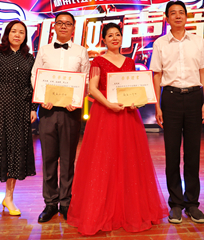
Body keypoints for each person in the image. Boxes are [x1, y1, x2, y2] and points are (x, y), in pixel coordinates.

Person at [67, 22, 167, 235]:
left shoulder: (129, 61)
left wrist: (136, 102)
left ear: (122, 38)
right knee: (104, 160)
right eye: (110, 35)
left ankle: (127, 210)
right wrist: (109, 104)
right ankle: (102, 211)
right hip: (105, 114)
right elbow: (93, 88)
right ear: (103, 39)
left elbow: (134, 88)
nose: (114, 38)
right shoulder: (98, 61)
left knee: (128, 160)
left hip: (127, 116)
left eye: (117, 34)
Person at [150, 0, 204, 225]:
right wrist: (157, 105)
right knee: (172, 154)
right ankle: (176, 204)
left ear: (186, 17)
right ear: (166, 18)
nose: (177, 16)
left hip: (195, 97)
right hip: (171, 98)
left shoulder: (197, 41)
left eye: (181, 13)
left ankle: (192, 204)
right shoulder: (160, 43)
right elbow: (157, 75)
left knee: (193, 154)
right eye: (173, 13)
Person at [31, 11, 90, 223]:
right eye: (60, 23)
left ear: (73, 28)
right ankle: (50, 203)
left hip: (71, 112)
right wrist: (41, 98)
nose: (63, 26)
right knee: (48, 159)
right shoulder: (44, 50)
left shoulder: (81, 51)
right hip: (47, 110)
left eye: (68, 23)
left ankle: (66, 202)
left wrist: (77, 99)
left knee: (67, 159)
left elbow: (85, 79)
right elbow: (35, 75)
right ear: (54, 27)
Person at [0, 20, 38, 218]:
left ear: (25, 36)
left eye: (21, 32)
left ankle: (9, 198)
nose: (17, 35)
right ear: (7, 34)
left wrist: (33, 108)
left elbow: (33, 86)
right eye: (14, 31)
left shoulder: (29, 58)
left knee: (16, 154)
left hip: (21, 111)